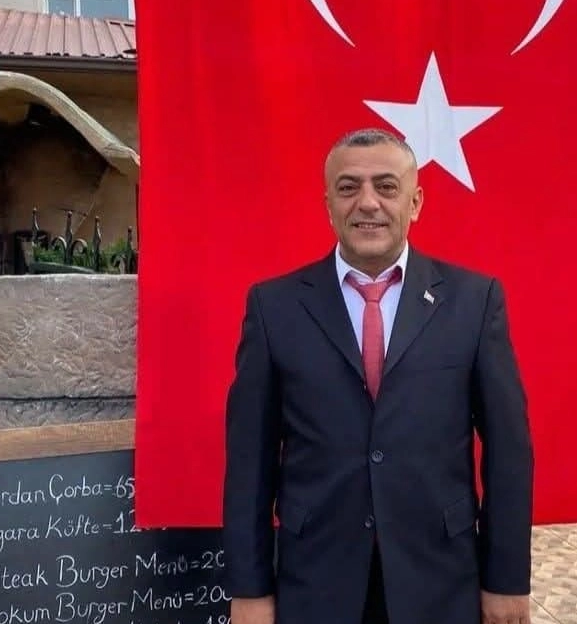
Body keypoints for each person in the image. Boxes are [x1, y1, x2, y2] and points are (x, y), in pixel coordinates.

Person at [222, 128, 535, 624]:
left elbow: (508, 450)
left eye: (386, 186)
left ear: (416, 202)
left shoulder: (474, 302)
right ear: (328, 205)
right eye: (348, 187)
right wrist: (249, 589)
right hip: (315, 583)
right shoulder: (273, 307)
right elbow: (249, 461)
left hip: (440, 580)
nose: (367, 202)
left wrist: (507, 579)